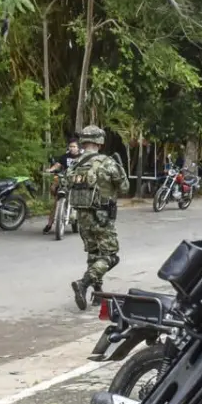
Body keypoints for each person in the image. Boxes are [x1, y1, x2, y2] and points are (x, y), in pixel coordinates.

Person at [66, 125, 129, 310]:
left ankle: (98, 294)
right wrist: (121, 170)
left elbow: (66, 184)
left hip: (82, 217)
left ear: (84, 142)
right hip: (102, 217)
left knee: (93, 254)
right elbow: (124, 187)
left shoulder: (75, 164)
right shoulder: (107, 163)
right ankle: (83, 283)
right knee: (110, 256)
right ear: (99, 142)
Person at [44, 138, 81, 234]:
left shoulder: (82, 157)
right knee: (56, 201)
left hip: (77, 181)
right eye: (70, 146)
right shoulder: (65, 156)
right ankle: (49, 224)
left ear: (78, 148)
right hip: (65, 181)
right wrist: (51, 169)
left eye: (74, 146)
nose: (72, 148)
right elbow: (57, 165)